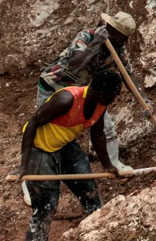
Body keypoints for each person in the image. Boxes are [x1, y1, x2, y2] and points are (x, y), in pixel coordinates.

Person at [10, 69, 123, 241]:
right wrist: (24, 165)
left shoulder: (101, 103)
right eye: (113, 95)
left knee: (89, 190)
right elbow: (32, 123)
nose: (115, 100)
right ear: (101, 92)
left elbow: (98, 135)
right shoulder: (67, 99)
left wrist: (108, 165)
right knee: (46, 205)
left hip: (64, 144)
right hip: (40, 148)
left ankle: (97, 233)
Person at [35, 12, 145, 186]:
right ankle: (32, 177)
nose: (119, 40)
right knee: (45, 131)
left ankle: (113, 163)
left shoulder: (118, 48)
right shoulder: (87, 37)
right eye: (114, 33)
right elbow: (75, 64)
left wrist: (144, 99)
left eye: (122, 39)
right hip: (55, 86)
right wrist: (96, 44)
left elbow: (128, 74)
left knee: (105, 126)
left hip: (83, 92)